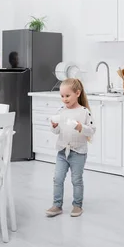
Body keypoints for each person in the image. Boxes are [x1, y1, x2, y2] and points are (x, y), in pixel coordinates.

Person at [45, 78, 96, 218]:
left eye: (67, 96)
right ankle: (57, 205)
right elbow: (56, 132)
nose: (64, 99)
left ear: (77, 93)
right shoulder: (61, 111)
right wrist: (54, 127)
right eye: (62, 96)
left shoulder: (84, 112)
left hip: (78, 152)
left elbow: (91, 130)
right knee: (57, 178)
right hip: (62, 151)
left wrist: (81, 127)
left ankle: (77, 205)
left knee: (76, 180)